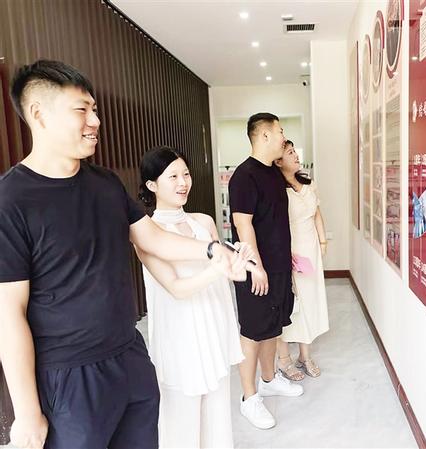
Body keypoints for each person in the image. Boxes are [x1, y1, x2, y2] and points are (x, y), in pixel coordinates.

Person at [0, 60, 246, 449]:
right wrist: (28, 412)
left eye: (94, 109)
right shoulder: (10, 200)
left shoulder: (106, 184)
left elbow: (153, 239)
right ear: (38, 114)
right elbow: (8, 314)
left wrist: (214, 249)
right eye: (81, 110)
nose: (95, 121)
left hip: (128, 354)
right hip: (69, 375)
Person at [136, 147, 250, 448]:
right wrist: (217, 267)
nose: (183, 182)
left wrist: (239, 265)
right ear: (152, 185)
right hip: (180, 336)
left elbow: (229, 276)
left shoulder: (204, 222)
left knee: (217, 418)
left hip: (213, 328)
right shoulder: (147, 232)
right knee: (181, 423)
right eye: (172, 176)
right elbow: (176, 288)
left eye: (185, 174)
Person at [228, 113, 303, 430]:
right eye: (280, 131)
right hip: (255, 268)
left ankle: (269, 380)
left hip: (279, 266)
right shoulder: (244, 176)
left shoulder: (273, 173)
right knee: (253, 332)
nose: (284, 137)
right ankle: (249, 398)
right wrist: (256, 267)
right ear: (265, 135)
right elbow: (242, 224)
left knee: (273, 327)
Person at [274, 140, 329, 381]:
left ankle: (305, 357)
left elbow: (317, 215)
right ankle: (285, 359)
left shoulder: (308, 184)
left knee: (310, 302)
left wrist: (323, 243)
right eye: (290, 153)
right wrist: (283, 255)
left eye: (295, 151)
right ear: (278, 161)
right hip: (289, 253)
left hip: (311, 252)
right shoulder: (277, 189)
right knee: (291, 306)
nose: (296, 156)